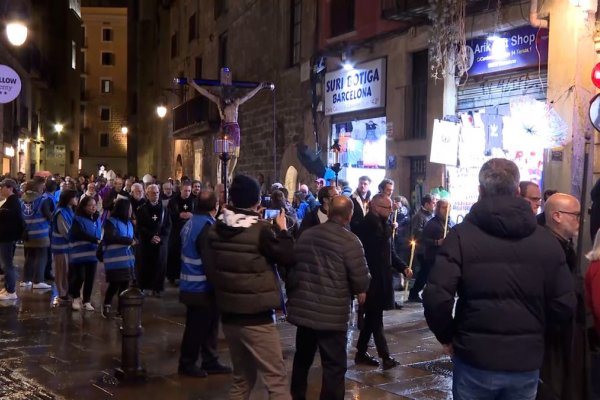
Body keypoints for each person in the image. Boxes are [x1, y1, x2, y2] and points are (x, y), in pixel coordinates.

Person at [423, 158, 576, 400]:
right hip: (524, 361)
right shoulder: (546, 241)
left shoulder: (461, 236)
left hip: (475, 357)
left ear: (480, 191)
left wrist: (448, 335)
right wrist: (538, 333)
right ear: (517, 191)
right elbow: (565, 302)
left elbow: (435, 297)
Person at [201, 174, 294, 400]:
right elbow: (288, 256)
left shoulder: (216, 228)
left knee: (242, 378)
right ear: (256, 201)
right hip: (257, 316)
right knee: (276, 380)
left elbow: (212, 269)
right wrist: (282, 230)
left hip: (230, 313)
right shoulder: (260, 230)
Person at [287, 195, 370, 400]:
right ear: (349, 216)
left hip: (305, 310)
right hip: (331, 314)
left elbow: (293, 266)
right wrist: (361, 288)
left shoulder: (306, 235)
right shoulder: (350, 241)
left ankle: (297, 396)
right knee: (333, 366)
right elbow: (361, 278)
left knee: (302, 359)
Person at [539, 193, 588, 400]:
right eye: (575, 215)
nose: (580, 220)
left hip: (567, 335)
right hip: (554, 340)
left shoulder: (564, 246)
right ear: (557, 216)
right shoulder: (547, 248)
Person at [354, 194, 411, 370]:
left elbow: (390, 253)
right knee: (376, 318)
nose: (391, 210)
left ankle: (361, 353)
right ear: (376, 207)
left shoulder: (383, 225)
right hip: (373, 279)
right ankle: (385, 357)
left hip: (382, 278)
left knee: (372, 318)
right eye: (387, 208)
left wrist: (403, 267)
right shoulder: (366, 227)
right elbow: (368, 254)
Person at [178, 190, 232, 377]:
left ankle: (210, 360)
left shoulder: (192, 222)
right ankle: (187, 363)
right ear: (215, 206)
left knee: (208, 326)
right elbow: (211, 261)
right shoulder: (206, 228)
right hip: (201, 287)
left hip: (191, 284)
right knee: (197, 328)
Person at [190, 79, 273, 178]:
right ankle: (222, 173)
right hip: (225, 127)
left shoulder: (235, 103)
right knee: (223, 152)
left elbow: (248, 96)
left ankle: (228, 175)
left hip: (234, 128)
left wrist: (259, 87)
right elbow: (205, 93)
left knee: (234, 154)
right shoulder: (219, 101)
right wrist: (194, 85)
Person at [408, 199, 452, 303]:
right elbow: (423, 239)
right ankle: (417, 294)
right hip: (431, 255)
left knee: (428, 276)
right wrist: (437, 242)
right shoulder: (432, 223)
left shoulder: (448, 221)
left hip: (443, 256)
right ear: (438, 209)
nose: (446, 210)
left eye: (448, 207)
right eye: (444, 207)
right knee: (426, 276)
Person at [101, 198, 136, 318]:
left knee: (125, 286)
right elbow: (110, 238)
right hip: (114, 260)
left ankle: (121, 309)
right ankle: (106, 305)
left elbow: (133, 238)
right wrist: (129, 241)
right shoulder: (111, 222)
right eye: (129, 208)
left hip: (127, 260)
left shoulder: (129, 223)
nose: (131, 210)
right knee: (114, 284)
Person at [135, 184, 171, 296]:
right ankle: (143, 286)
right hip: (146, 242)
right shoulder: (141, 209)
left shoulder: (165, 209)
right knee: (145, 265)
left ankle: (157, 288)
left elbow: (168, 226)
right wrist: (151, 236)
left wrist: (161, 237)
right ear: (147, 194)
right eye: (152, 193)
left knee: (159, 265)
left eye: (157, 193)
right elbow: (139, 227)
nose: (155, 195)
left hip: (160, 243)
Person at [68, 196, 102, 311]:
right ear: (83, 207)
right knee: (79, 276)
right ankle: (76, 297)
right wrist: (94, 239)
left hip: (92, 253)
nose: (93, 207)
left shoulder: (97, 218)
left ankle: (86, 300)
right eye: (90, 205)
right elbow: (78, 233)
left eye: (94, 205)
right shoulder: (77, 218)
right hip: (79, 253)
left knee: (90, 278)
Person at [21, 180, 53, 289]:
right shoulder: (43, 200)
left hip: (27, 233)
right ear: (37, 188)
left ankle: (25, 280)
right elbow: (49, 216)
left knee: (29, 257)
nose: (43, 188)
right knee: (41, 257)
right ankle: (38, 281)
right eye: (41, 187)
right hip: (41, 233)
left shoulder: (22, 199)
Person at [51, 189, 78, 306]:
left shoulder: (69, 210)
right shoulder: (61, 212)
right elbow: (65, 230)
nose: (76, 200)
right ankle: (62, 293)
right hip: (61, 246)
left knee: (67, 271)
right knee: (62, 270)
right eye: (74, 197)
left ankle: (66, 291)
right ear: (68, 199)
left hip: (68, 246)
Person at [166, 181, 196, 285]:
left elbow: (197, 213)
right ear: (181, 190)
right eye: (185, 190)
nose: (187, 193)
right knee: (174, 252)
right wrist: (179, 215)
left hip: (189, 231)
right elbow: (169, 215)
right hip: (176, 230)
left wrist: (192, 215)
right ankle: (172, 276)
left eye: (189, 190)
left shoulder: (193, 201)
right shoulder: (173, 201)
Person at [0, 179, 24, 300]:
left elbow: (14, 221)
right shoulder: (10, 201)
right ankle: (7, 287)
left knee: (7, 264)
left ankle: (11, 291)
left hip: (7, 238)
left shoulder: (13, 202)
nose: (1, 189)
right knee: (5, 263)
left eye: (2, 187)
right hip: (6, 237)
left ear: (10, 188)